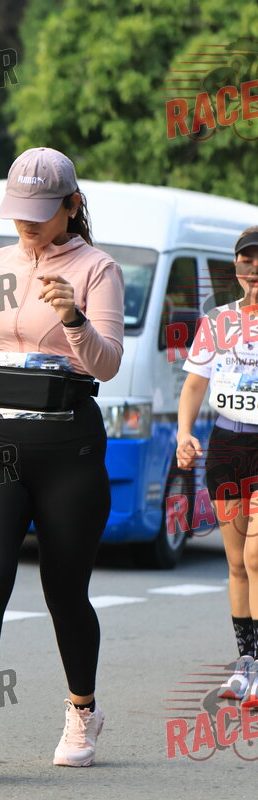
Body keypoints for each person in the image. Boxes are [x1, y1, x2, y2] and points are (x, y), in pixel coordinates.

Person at [0, 146, 125, 775]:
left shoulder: (98, 268)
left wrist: (73, 316)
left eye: (41, 212)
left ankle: (82, 711)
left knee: (65, 592)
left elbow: (106, 364)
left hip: (68, 446)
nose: (28, 223)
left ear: (71, 205)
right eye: (20, 211)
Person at [176, 225, 258, 704]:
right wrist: (184, 433)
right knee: (236, 563)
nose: (254, 270)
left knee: (255, 556)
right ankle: (245, 663)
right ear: (237, 268)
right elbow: (193, 385)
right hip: (226, 444)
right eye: (247, 262)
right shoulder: (218, 321)